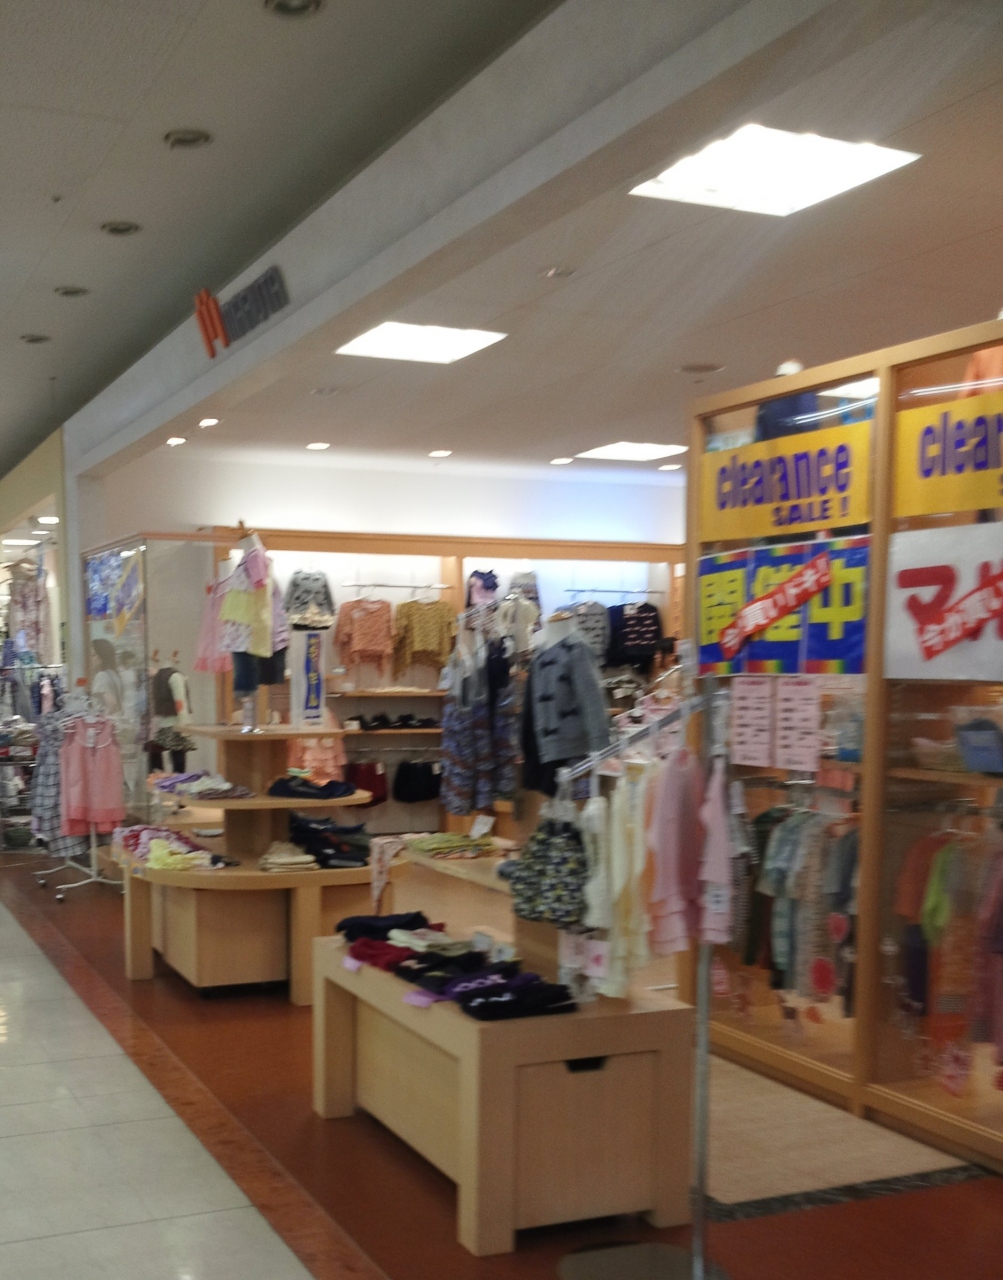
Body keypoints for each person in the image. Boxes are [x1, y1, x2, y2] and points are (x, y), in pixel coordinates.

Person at [91, 638, 123, 715]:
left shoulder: (101, 676)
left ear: (102, 657)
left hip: (106, 720)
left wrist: (104, 718)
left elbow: (112, 704)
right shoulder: (112, 673)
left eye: (93, 655)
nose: (91, 659)